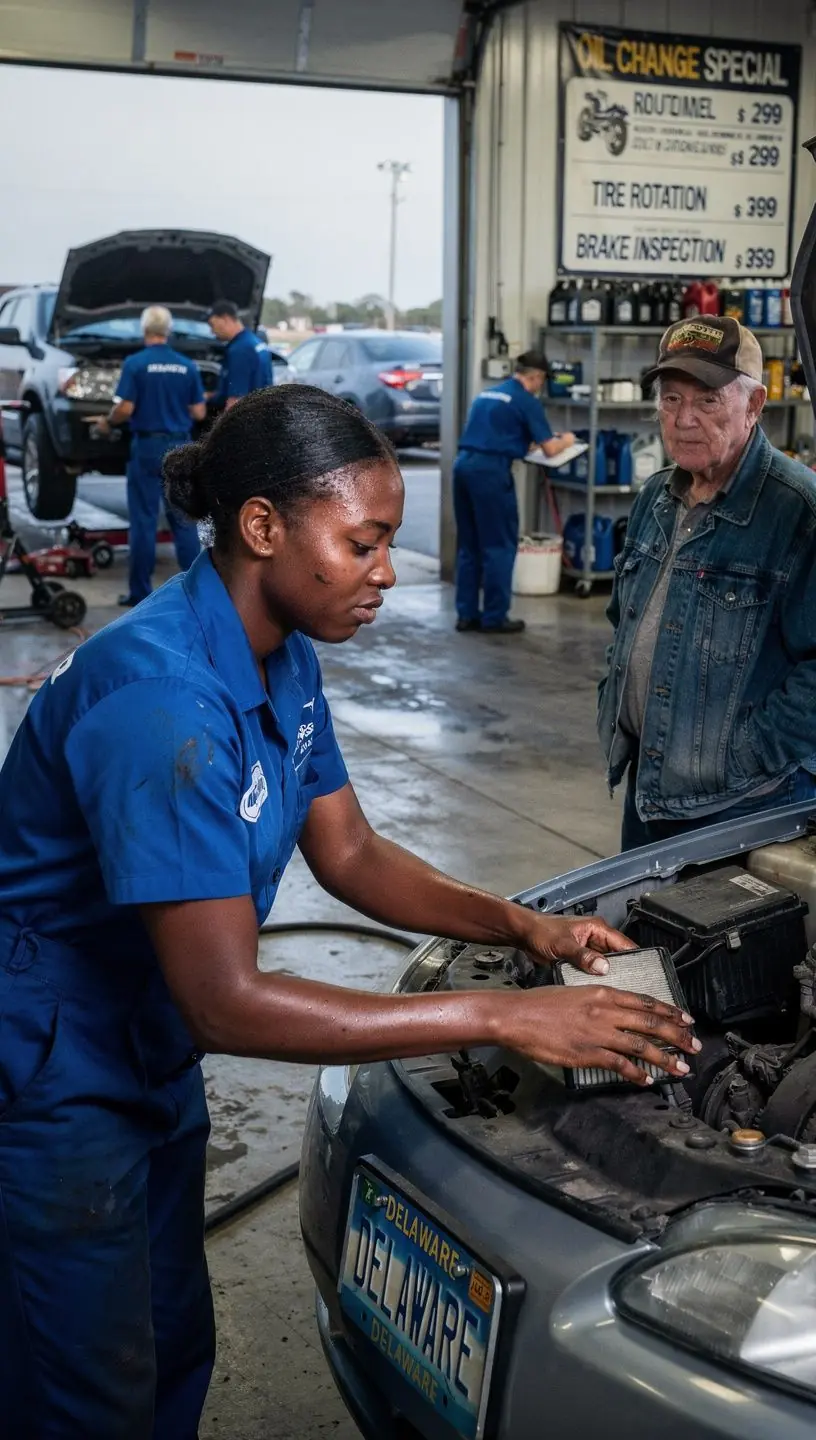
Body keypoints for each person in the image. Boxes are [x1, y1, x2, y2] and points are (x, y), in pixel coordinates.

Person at [0, 385, 697, 1438]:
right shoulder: (161, 701)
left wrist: (523, 927)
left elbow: (351, 851)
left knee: (171, 1329)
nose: (386, 570)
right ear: (264, 526)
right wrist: (504, 1015)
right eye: (364, 542)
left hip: (140, 1036)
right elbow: (227, 1006)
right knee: (85, 1378)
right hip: (53, 1059)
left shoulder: (283, 653)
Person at [598, 316, 816, 852]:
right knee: (651, 935)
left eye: (707, 401)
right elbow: (621, 616)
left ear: (755, 405)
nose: (684, 419)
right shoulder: (656, 497)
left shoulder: (799, 513)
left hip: (747, 805)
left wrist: (739, 754)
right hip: (648, 789)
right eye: (671, 400)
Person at [453, 351, 576, 635]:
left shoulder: (488, 394)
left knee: (469, 546)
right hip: (491, 473)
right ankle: (495, 617)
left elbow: (498, 435)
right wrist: (567, 439)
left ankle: (466, 615)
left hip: (464, 466)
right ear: (536, 377)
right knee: (499, 545)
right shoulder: (526, 400)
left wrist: (524, 445)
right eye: (542, 380)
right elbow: (550, 448)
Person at [96, 304, 206, 607]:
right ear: (168, 331)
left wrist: (107, 421)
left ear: (145, 330)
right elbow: (198, 411)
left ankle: (139, 593)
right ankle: (195, 592)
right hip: (180, 448)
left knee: (143, 522)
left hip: (146, 448)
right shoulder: (186, 365)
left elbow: (126, 408)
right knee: (183, 520)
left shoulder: (135, 364)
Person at [207, 298, 273, 409]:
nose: (212, 331)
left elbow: (235, 401)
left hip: (247, 417)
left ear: (225, 319)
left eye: (212, 325)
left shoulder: (240, 350)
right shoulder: (255, 342)